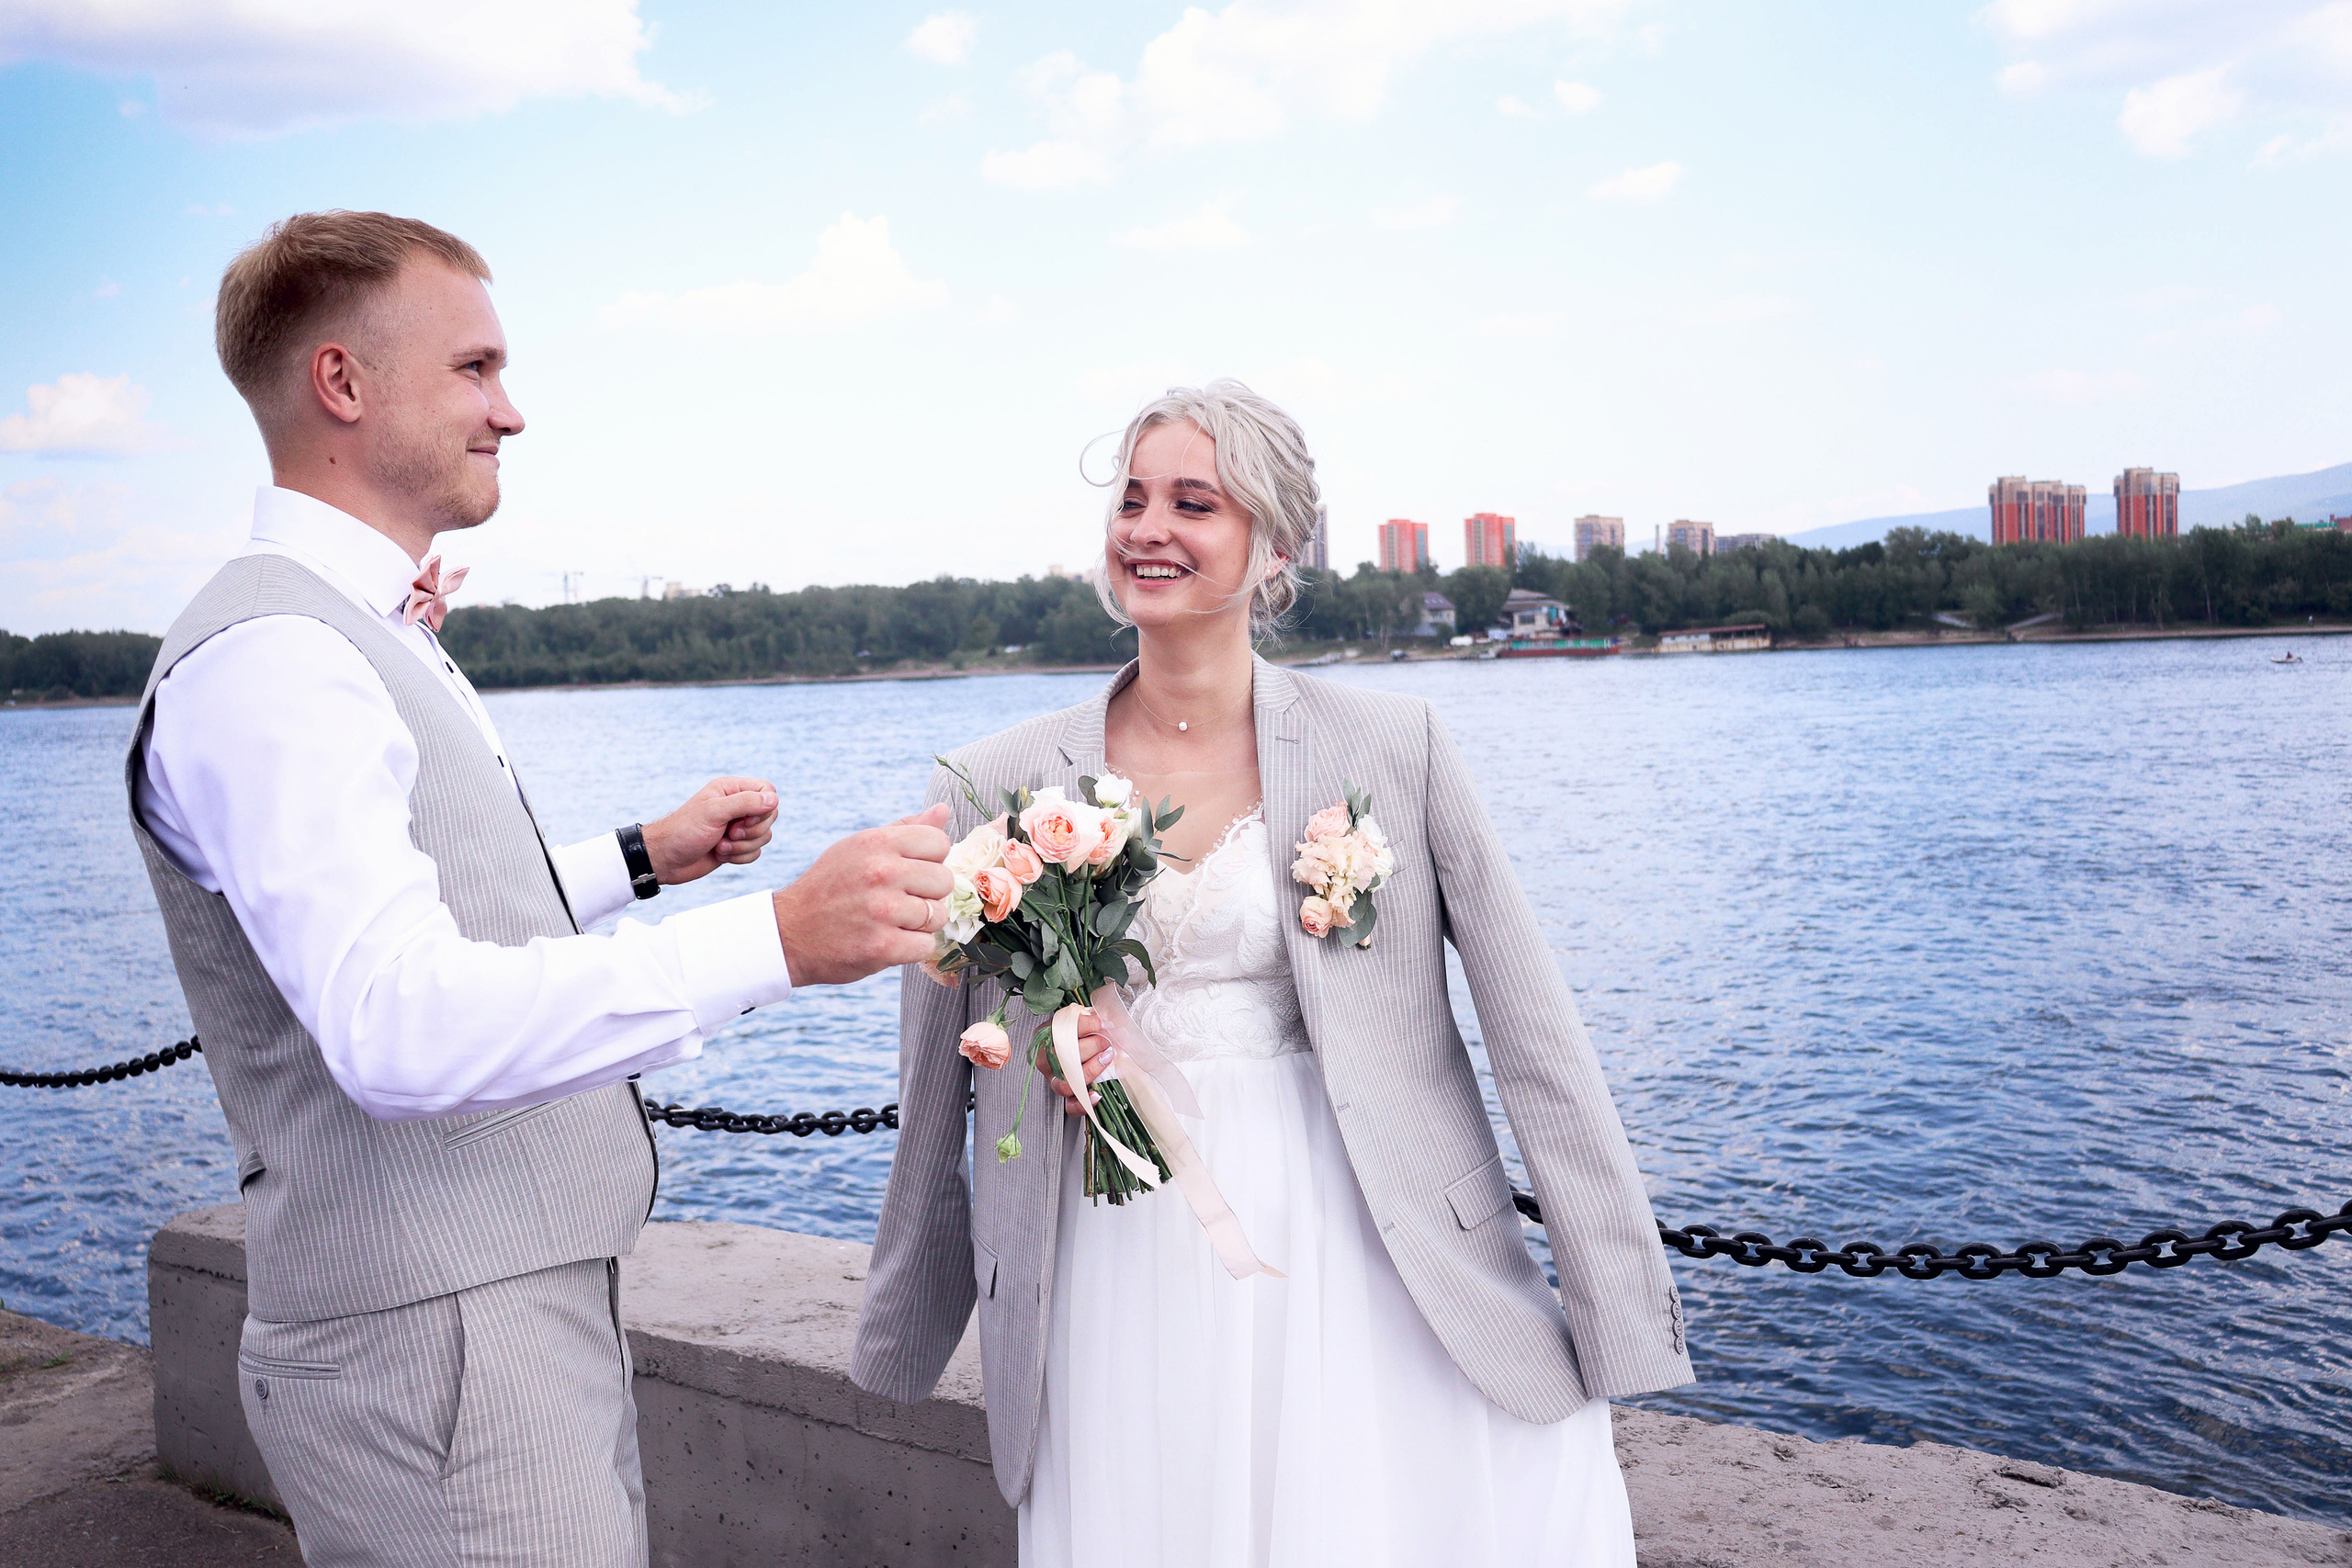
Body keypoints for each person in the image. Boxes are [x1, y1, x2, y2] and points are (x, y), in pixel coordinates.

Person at [127, 210, 955, 1568]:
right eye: (476, 368)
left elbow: (440, 912)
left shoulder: (340, 631)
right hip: (441, 1343)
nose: (512, 413)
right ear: (343, 383)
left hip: (487, 1317)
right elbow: (397, 1021)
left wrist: (645, 858)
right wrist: (780, 941)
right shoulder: (276, 659)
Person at [853, 380, 1691, 1565]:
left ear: (1277, 543)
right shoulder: (997, 783)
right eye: (1131, 500)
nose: (1148, 528)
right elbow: (937, 1082)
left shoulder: (1392, 749)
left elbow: (1535, 1037)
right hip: (1116, 1248)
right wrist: (911, 1310)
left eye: (1193, 501)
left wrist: (1615, 1308)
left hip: (1366, 1238)